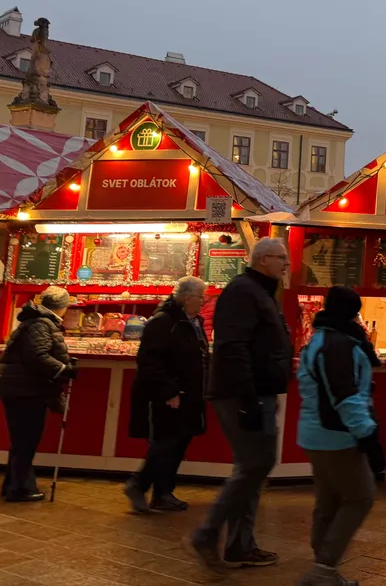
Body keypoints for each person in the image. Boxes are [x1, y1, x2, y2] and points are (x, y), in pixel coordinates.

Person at [187, 238, 292, 570]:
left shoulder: (261, 291)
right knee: (255, 465)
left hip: (258, 391)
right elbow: (233, 347)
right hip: (243, 393)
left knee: (253, 467)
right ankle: (206, 533)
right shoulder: (244, 291)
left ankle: (239, 545)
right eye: (281, 258)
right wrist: (248, 398)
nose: (286, 264)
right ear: (262, 260)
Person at [296, 285, 379, 586]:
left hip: (315, 434)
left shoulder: (322, 338)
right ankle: (323, 569)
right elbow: (344, 396)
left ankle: (324, 570)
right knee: (360, 497)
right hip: (336, 436)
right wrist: (368, 436)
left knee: (329, 500)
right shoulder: (338, 345)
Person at [126, 276, 210, 513]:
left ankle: (163, 492)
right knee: (166, 442)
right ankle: (139, 484)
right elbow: (150, 361)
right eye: (200, 297)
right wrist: (169, 391)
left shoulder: (193, 321)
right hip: (168, 396)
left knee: (180, 441)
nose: (203, 302)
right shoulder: (163, 322)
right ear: (186, 298)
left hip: (190, 394)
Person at [0, 285, 75, 502]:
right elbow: (37, 355)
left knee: (22, 440)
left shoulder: (35, 320)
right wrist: (62, 369)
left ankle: (13, 485)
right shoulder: (42, 323)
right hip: (26, 390)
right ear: (62, 307)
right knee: (26, 440)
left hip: (20, 388)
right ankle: (21, 489)